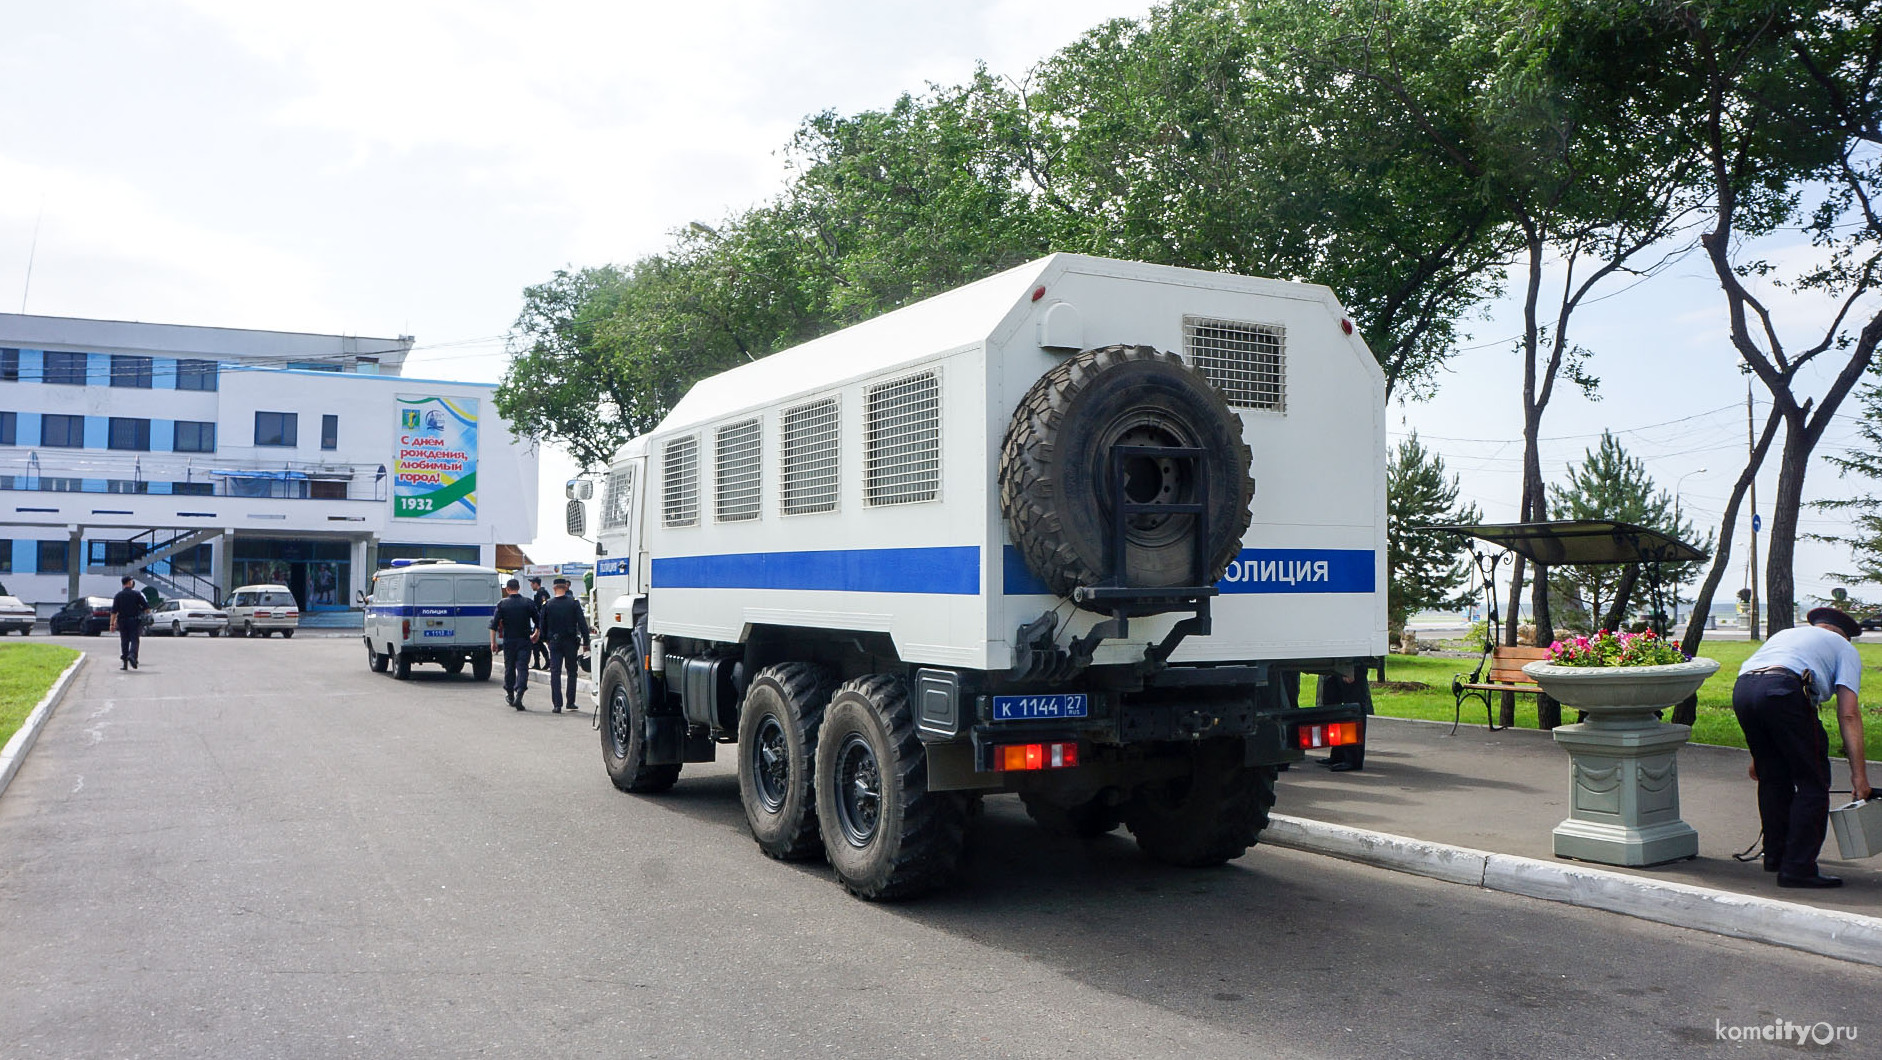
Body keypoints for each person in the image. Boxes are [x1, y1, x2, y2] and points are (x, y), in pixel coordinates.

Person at [1733, 606, 1875, 889]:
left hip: (1744, 689)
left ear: (1817, 625)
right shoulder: (1844, 648)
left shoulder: (1786, 635)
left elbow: (1759, 684)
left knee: (1773, 778)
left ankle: (1776, 856)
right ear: (1844, 634)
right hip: (1785, 690)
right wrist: (1860, 777)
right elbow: (1848, 713)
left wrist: (1758, 754)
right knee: (1813, 782)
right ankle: (1798, 868)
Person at [536, 576, 591, 714]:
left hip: (554, 642)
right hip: (571, 642)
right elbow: (582, 623)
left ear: (554, 588)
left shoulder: (547, 604)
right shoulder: (574, 603)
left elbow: (542, 625)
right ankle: (570, 702)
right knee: (572, 672)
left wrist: (545, 640)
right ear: (566, 587)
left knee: (555, 672)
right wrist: (586, 642)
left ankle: (557, 705)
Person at [489, 577, 539, 710]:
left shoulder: (502, 604)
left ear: (507, 589)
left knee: (509, 668)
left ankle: (510, 695)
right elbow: (538, 621)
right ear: (519, 588)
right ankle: (520, 694)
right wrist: (536, 633)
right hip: (524, 640)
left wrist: (493, 642)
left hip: (509, 641)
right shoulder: (527, 603)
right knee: (522, 668)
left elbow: (493, 625)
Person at [108, 575, 149, 671]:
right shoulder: (137, 594)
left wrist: (112, 624)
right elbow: (147, 608)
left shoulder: (118, 595)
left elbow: (114, 612)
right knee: (135, 640)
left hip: (122, 621)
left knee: (124, 641)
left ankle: (125, 663)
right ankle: (132, 655)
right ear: (130, 583)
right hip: (134, 621)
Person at [529, 576, 551, 670]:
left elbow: (543, 608)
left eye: (532, 583)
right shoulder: (539, 593)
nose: (530, 585)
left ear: (536, 583)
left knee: (535, 641)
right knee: (537, 642)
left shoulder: (542, 593)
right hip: (539, 620)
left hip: (541, 621)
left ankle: (541, 662)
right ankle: (544, 661)